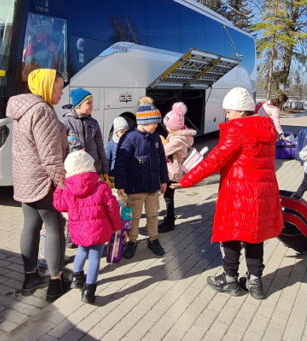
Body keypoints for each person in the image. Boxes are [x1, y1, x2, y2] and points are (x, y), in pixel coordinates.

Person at [179, 87, 282, 300]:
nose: (226, 115)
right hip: (263, 192)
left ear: (241, 111)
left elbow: (215, 160)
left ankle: (230, 279)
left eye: (229, 111)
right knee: (255, 237)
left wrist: (186, 181)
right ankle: (255, 283)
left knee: (231, 235)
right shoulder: (266, 127)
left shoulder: (238, 129)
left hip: (238, 192)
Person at [6, 68, 69, 301]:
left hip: (25, 179)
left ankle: (30, 277)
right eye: (58, 87)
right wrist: (63, 185)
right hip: (43, 181)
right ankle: (56, 282)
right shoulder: (43, 111)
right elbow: (50, 156)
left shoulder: (22, 108)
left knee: (30, 226)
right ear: (45, 86)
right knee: (54, 227)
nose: (61, 93)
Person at [52, 150, 122, 305]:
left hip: (79, 230)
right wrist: (117, 226)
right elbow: (112, 208)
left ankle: (76, 279)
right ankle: (89, 291)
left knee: (82, 251)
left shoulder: (67, 188)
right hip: (99, 229)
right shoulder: (101, 186)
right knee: (95, 257)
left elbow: (59, 205)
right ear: (90, 165)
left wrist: (58, 188)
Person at [113, 97, 169, 258]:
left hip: (153, 187)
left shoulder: (155, 138)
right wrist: (120, 185)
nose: (157, 126)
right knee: (135, 217)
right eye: (155, 122)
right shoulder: (129, 138)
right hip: (135, 188)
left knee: (153, 214)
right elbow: (120, 164)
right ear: (145, 121)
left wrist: (164, 179)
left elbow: (161, 161)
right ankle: (132, 241)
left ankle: (153, 239)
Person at [160, 102, 196, 233]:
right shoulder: (179, 136)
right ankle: (169, 218)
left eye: (167, 126)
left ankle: (170, 222)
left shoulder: (178, 140)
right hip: (172, 170)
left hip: (173, 173)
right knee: (168, 197)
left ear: (174, 127)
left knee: (168, 198)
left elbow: (163, 151)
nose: (166, 128)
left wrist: (162, 141)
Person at [60, 88, 107, 175]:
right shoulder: (65, 122)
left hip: (93, 168)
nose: (92, 105)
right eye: (88, 103)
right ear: (78, 105)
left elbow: (100, 147)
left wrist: (105, 169)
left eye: (92, 102)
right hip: (75, 170)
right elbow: (61, 148)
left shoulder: (94, 123)